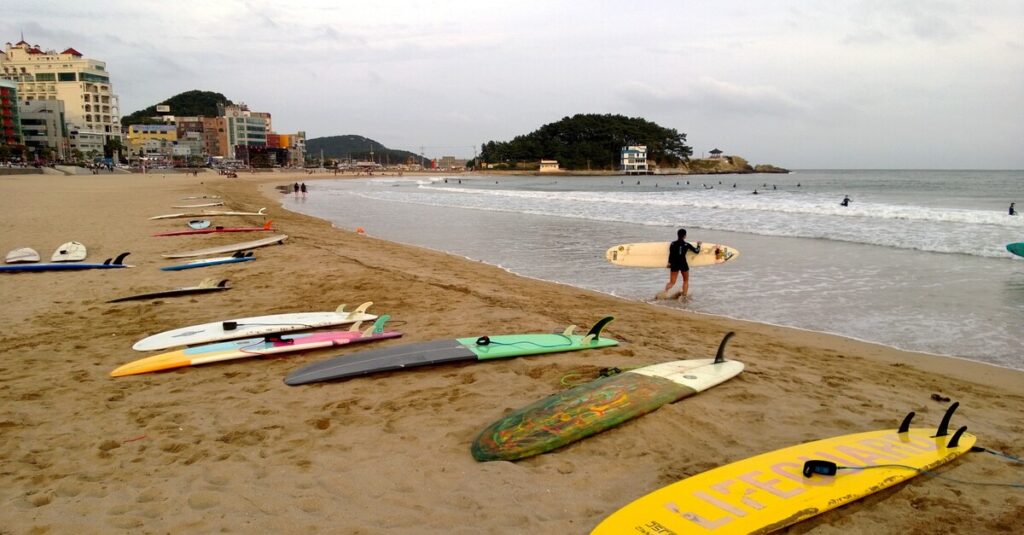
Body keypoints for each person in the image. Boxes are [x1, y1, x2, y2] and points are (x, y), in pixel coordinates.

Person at [664, 228, 702, 298]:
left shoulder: (672, 244)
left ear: (677, 235)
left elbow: (671, 254)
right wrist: (699, 245)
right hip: (683, 264)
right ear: (685, 236)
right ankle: (684, 296)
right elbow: (696, 251)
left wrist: (669, 263)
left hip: (674, 264)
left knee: (672, 282)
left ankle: (664, 293)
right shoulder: (686, 244)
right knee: (686, 280)